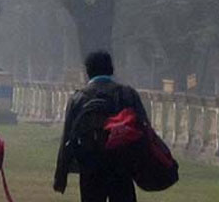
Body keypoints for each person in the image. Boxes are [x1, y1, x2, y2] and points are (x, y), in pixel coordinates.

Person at [53, 50, 149, 202]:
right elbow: (144, 131)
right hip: (121, 166)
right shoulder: (127, 94)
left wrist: (61, 176)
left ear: (88, 71)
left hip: (90, 166)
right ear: (111, 69)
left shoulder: (78, 98)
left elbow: (67, 138)